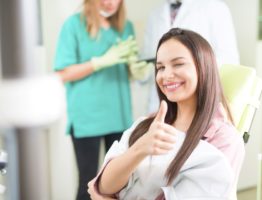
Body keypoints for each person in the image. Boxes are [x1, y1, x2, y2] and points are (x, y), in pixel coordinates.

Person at [87, 28, 245, 200]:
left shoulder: (224, 139)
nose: (166, 75)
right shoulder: (148, 123)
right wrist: (140, 148)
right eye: (160, 67)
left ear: (203, 67)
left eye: (178, 64)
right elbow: (103, 185)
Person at [53, 0, 148, 199]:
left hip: (119, 116)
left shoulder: (125, 26)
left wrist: (136, 71)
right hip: (87, 119)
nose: (110, 2)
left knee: (121, 183)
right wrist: (99, 62)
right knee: (88, 180)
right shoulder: (73, 25)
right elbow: (62, 73)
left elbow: (127, 70)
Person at [142, 0, 240, 113]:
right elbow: (149, 61)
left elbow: (229, 61)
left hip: (199, 105)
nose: (168, 73)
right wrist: (143, 72)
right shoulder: (154, 15)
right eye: (162, 68)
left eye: (179, 64)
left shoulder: (215, 8)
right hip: (159, 105)